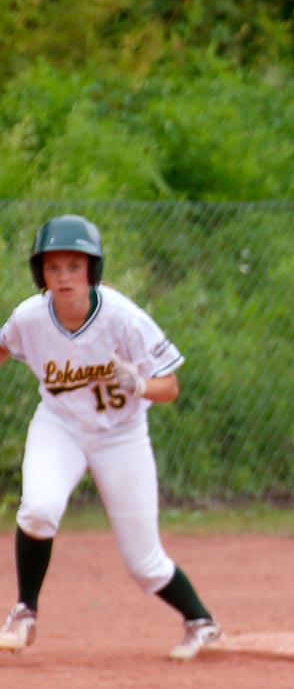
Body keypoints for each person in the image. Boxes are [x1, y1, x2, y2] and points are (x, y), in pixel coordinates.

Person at [0, 215, 224, 661]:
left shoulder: (124, 319)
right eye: (53, 267)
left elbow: (171, 387)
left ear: (92, 271)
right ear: (40, 274)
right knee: (39, 508)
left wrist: (140, 385)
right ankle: (25, 611)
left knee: (144, 564)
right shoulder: (30, 317)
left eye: (74, 266)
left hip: (121, 437)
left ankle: (202, 623)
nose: (63, 277)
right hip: (60, 426)